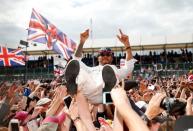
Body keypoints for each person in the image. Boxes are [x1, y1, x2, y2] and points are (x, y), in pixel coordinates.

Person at [64, 29, 137, 104]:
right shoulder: (90, 69)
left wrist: (127, 45)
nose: (105, 56)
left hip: (106, 99)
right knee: (77, 67)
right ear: (98, 57)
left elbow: (129, 67)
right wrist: (82, 41)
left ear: (112, 58)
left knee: (110, 69)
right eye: (102, 54)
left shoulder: (115, 70)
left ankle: (107, 88)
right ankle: (74, 84)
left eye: (108, 54)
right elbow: (76, 60)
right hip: (89, 95)